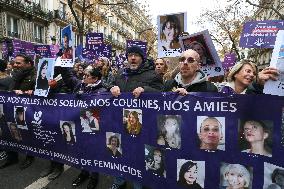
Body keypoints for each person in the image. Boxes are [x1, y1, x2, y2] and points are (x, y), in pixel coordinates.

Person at [109, 45, 163, 189]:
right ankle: (119, 181)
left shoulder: (153, 75)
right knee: (120, 153)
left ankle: (138, 185)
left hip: (142, 126)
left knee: (138, 156)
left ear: (142, 58)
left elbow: (162, 95)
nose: (133, 58)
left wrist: (146, 90)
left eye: (136, 55)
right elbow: (111, 87)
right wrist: (112, 88)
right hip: (121, 124)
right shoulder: (120, 73)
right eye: (130, 55)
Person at [53, 66, 107, 189]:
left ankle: (94, 177)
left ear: (95, 79)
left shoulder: (103, 90)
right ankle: (84, 172)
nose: (83, 78)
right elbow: (69, 78)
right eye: (84, 75)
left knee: (93, 152)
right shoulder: (80, 85)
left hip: (94, 128)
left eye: (87, 76)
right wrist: (63, 64)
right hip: (79, 125)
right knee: (82, 150)